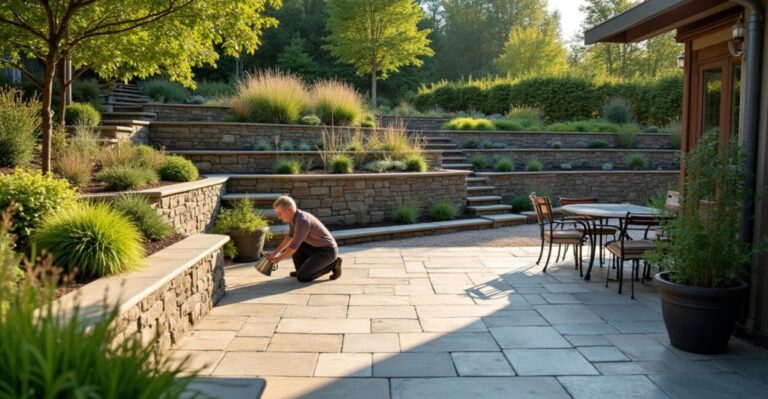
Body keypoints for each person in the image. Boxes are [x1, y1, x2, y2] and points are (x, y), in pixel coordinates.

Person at [264, 196, 342, 282]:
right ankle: (301, 270)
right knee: (296, 248)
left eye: (280, 213)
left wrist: (278, 259)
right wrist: (275, 253)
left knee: (303, 277)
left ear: (289, 210)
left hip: (327, 251)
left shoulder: (302, 221)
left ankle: (333, 265)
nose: (279, 217)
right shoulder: (294, 218)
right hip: (316, 248)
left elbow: (293, 247)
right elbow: (290, 237)